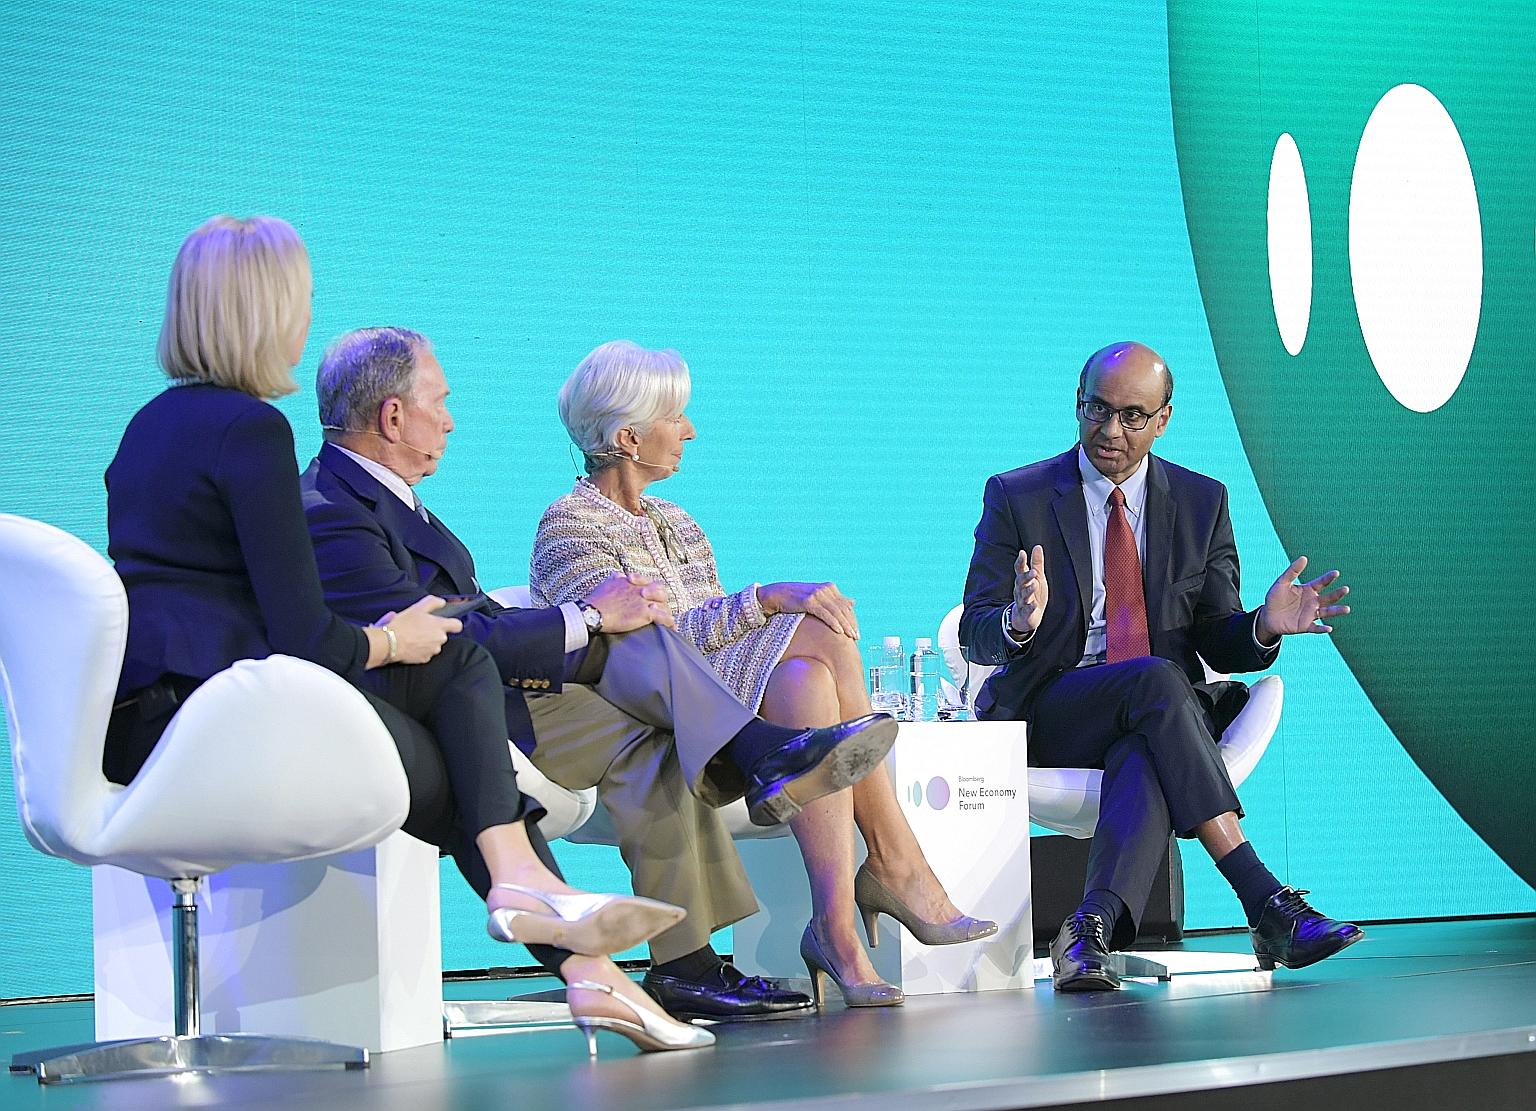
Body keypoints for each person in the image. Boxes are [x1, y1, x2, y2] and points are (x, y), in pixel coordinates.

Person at [104, 215, 709, 1055]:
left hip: (152, 713)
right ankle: (547, 912)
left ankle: (571, 947)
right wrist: (390, 641)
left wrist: (399, 639)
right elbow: (305, 639)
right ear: (262, 308)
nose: (303, 320)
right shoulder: (251, 433)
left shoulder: (149, 429)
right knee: (454, 696)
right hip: (211, 720)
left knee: (453, 691)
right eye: (300, 299)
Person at [301, 326, 900, 1022]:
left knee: (655, 730)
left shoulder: (390, 499)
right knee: (634, 637)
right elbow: (436, 637)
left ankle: (689, 963)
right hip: (450, 714)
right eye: (440, 400)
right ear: (393, 415)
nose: (451, 418)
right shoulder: (333, 510)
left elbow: (473, 619)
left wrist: (596, 618)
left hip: (503, 687)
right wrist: (587, 616)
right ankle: (761, 754)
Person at [531, 340, 996, 1011]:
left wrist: (769, 603)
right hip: (632, 709)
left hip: (696, 693)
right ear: (628, 437)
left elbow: (703, 625)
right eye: (676, 417)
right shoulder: (570, 524)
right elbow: (644, 647)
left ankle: (838, 923)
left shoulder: (677, 522)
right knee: (810, 624)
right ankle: (895, 864)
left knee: (811, 667)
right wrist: (769, 597)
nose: (689, 430)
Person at [959, 340, 1363, 991]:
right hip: (1058, 707)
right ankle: (1262, 897)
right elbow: (979, 630)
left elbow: (1215, 632)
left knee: (1145, 738)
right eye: (1097, 410)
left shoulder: (1202, 502)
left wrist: (1264, 622)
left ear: (1164, 418)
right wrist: (1016, 620)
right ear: (1077, 403)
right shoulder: (1018, 496)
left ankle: (1087, 929)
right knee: (1156, 681)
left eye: (1132, 415)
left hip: (1157, 713)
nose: (1110, 431)